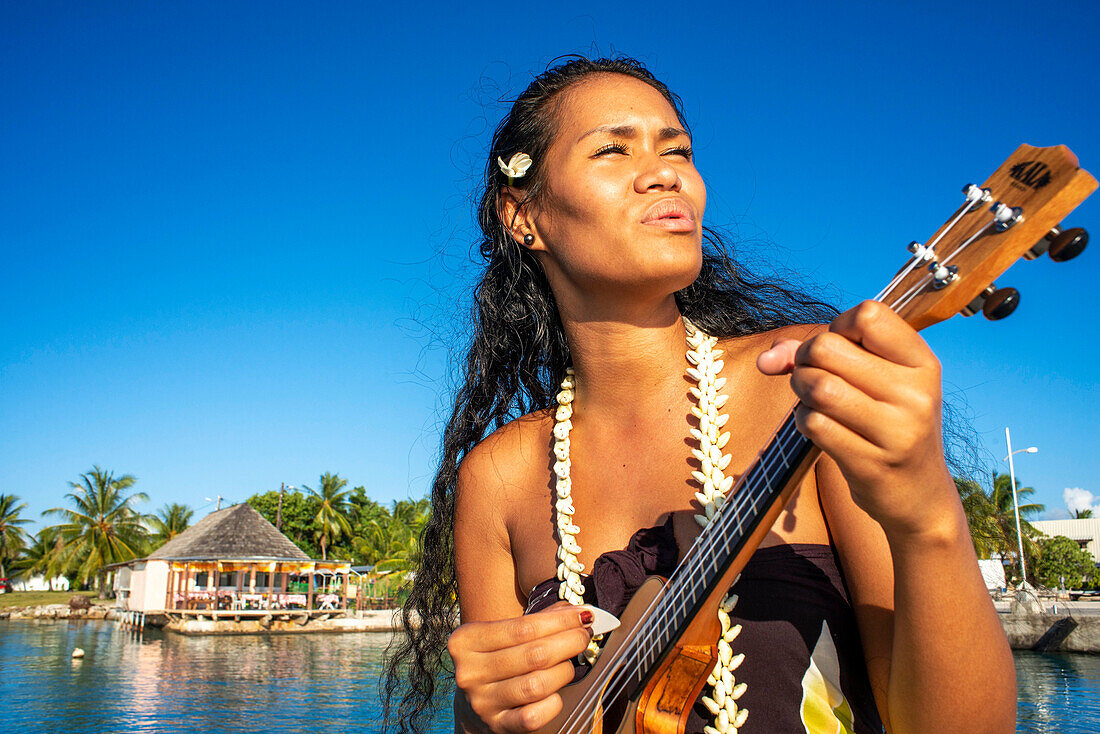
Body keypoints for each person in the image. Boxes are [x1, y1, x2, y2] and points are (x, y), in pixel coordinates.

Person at [382, 57, 1016, 734]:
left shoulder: (808, 380)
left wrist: (929, 521)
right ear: (523, 216)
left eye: (677, 148)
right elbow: (491, 720)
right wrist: (487, 713)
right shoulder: (499, 478)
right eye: (613, 149)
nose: (665, 171)